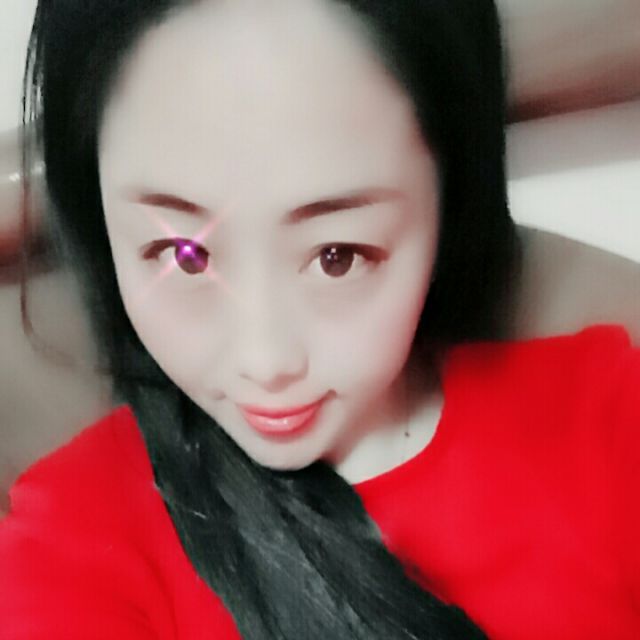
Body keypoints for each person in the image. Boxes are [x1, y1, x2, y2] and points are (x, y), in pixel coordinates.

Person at [1, 0, 638, 638]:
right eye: (184, 255)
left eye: (338, 256)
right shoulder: (74, 540)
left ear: (447, 197)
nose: (266, 362)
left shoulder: (605, 421)